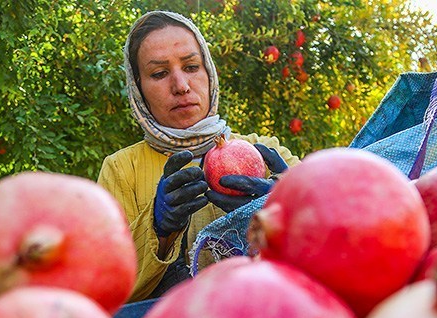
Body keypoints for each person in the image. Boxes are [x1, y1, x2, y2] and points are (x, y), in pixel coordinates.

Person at [97, 10, 299, 302]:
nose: (181, 86)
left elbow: (332, 244)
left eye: (191, 67)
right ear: (138, 89)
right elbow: (107, 286)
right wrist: (158, 229)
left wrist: (283, 207)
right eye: (159, 74)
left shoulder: (266, 152)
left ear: (209, 72)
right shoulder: (121, 169)